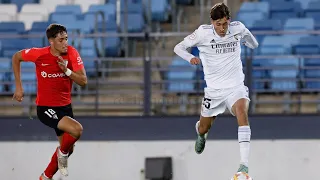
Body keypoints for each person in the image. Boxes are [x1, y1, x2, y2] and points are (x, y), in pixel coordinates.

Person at [173, 2, 258, 174]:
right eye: (218, 24)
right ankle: (201, 133)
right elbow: (178, 47)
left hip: (236, 88)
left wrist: (247, 42)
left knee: (242, 111)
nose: (221, 28)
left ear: (229, 20)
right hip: (214, 91)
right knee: (204, 127)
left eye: (224, 24)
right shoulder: (202, 33)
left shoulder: (238, 29)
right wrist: (190, 58)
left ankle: (244, 165)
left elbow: (253, 43)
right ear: (212, 22)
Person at [12, 23, 87, 180]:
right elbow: (16, 57)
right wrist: (18, 86)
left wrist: (66, 70)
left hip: (65, 106)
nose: (65, 43)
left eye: (66, 39)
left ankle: (45, 176)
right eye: (61, 40)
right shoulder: (39, 54)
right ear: (51, 41)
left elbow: (83, 81)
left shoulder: (72, 53)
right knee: (77, 130)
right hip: (46, 108)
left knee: (69, 147)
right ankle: (62, 155)